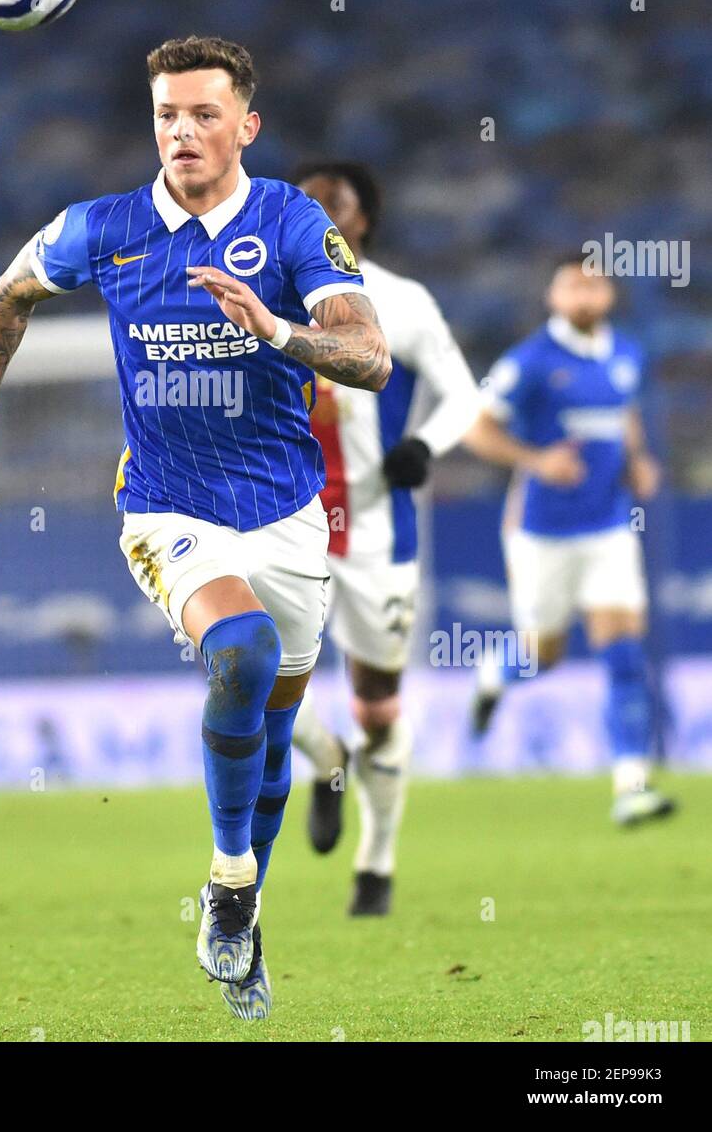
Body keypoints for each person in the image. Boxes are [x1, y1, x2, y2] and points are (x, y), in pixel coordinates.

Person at [0, 36, 390, 1019]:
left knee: (272, 732)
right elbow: (8, 294)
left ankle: (236, 903)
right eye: (165, 116)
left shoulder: (289, 221)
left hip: (285, 515)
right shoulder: (103, 228)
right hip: (164, 507)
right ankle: (230, 883)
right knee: (240, 651)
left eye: (202, 113)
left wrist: (271, 330)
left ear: (245, 124)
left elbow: (368, 356)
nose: (181, 131)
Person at [288, 162, 480, 915]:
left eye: (334, 204)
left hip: (374, 532)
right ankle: (325, 758)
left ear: (363, 219)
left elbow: (464, 392)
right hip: (281, 522)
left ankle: (376, 864)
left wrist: (425, 445)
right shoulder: (259, 296)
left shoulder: (401, 302)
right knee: (245, 670)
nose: (321, 215)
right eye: (304, 204)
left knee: (375, 705)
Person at [465, 257, 674, 825]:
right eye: (573, 286)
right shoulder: (529, 362)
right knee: (543, 656)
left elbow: (623, 413)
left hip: (608, 527)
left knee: (624, 652)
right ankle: (493, 675)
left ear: (608, 294)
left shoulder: (626, 354)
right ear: (553, 297)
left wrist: (638, 462)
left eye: (595, 285)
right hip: (541, 534)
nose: (585, 295)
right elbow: (477, 428)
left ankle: (632, 783)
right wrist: (536, 461)